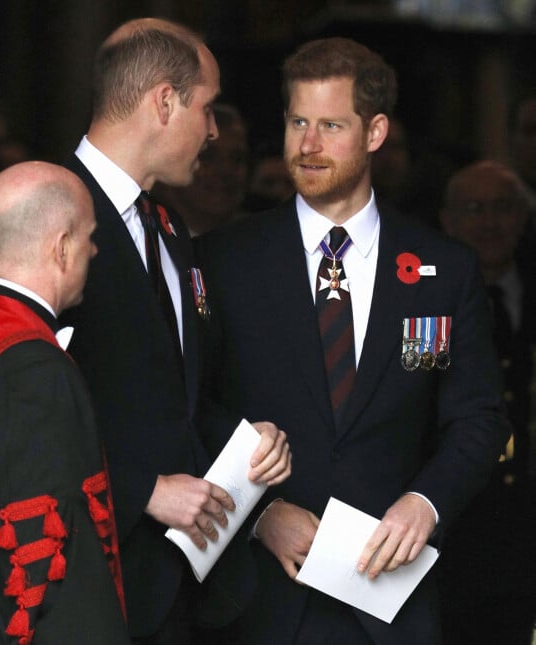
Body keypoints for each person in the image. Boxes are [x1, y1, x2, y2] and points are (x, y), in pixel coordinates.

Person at [197, 37, 510, 643]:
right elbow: (193, 408)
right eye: (297, 123)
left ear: (375, 133)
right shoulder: (223, 261)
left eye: (331, 125)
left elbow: (478, 418)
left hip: (392, 603)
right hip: (260, 602)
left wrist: (426, 504)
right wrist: (258, 516)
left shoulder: (444, 269)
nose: (307, 145)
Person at [60, 18, 291, 644]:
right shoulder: (46, 211)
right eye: (207, 109)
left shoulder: (167, 227)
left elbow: (177, 397)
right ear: (165, 101)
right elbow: (15, 412)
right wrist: (141, 491)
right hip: (87, 586)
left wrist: (249, 448)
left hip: (182, 590)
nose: (214, 132)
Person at [0, 161, 129, 644]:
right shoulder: (35, 375)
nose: (94, 250)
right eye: (90, 237)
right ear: (62, 247)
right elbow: (51, 574)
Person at [438, 159, 536, 644]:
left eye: (503, 208)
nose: (490, 222)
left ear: (524, 216)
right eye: (474, 209)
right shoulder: (427, 300)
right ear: (448, 220)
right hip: (457, 528)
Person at [154, 102, 250, 236]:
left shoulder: (265, 245)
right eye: (207, 156)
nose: (225, 170)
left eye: (236, 159)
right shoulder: (141, 242)